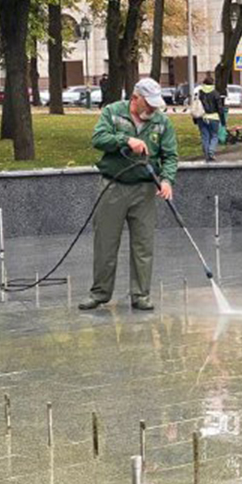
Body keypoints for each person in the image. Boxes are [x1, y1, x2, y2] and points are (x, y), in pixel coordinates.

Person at [78, 78, 177, 312]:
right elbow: (98, 139)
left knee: (143, 244)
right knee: (105, 242)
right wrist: (125, 140)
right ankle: (100, 293)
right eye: (149, 104)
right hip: (113, 186)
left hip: (144, 190)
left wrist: (166, 180)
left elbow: (170, 156)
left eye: (155, 105)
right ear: (135, 98)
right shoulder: (113, 113)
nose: (152, 109)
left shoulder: (162, 122)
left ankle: (141, 295)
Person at [193, 77, 222, 162]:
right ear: (212, 83)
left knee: (205, 136)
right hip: (214, 118)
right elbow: (220, 108)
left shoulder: (199, 94)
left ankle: (206, 155)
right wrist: (222, 119)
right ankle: (211, 151)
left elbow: (195, 107)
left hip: (201, 118)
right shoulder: (216, 93)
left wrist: (195, 119)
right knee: (214, 135)